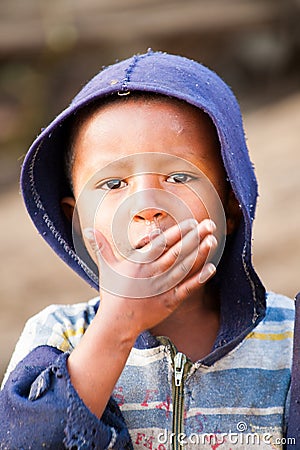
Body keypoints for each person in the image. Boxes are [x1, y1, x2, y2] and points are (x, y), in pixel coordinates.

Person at [0, 50, 299, 449]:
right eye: (112, 184)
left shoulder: (290, 340)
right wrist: (116, 328)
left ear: (231, 207)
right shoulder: (57, 338)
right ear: (80, 222)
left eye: (178, 176)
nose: (145, 206)